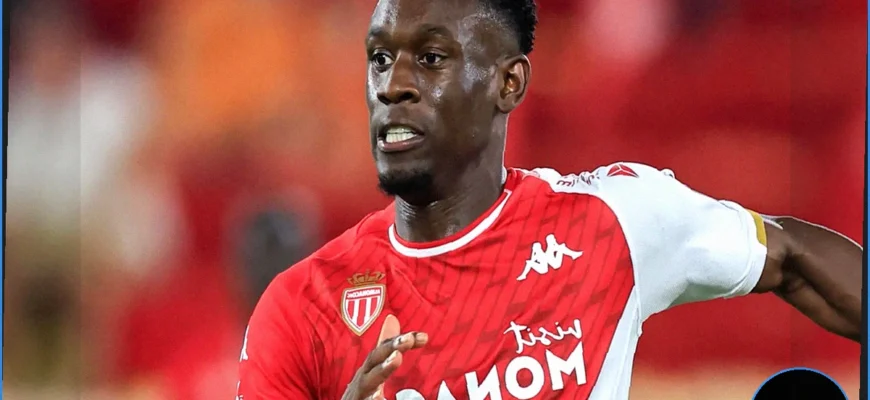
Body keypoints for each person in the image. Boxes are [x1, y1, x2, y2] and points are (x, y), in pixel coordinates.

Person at [236, 0, 863, 399]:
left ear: (509, 83)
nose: (392, 85)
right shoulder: (302, 308)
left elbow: (790, 254)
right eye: (379, 58)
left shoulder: (613, 220)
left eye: (429, 58)